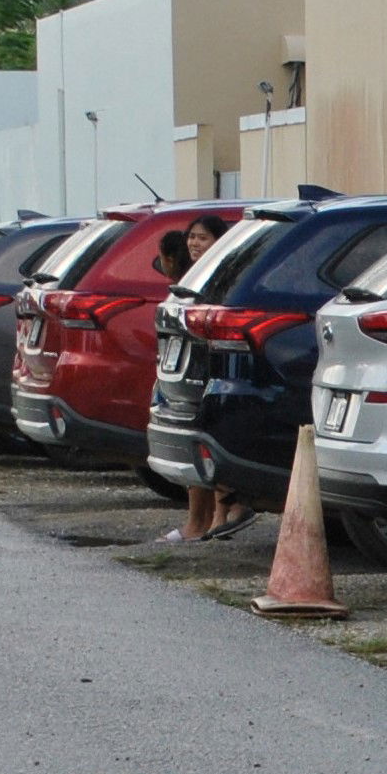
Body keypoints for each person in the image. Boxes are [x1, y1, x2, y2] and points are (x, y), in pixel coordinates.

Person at [155, 215, 259, 545]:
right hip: (186, 368)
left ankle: (219, 512)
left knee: (211, 434)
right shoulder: (192, 276)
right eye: (192, 237)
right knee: (193, 436)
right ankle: (197, 520)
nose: (195, 243)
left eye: (202, 237)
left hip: (215, 364)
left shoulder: (226, 274)